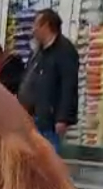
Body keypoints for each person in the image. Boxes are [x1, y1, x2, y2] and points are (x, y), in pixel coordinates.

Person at [17, 9, 79, 152]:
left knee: (47, 159)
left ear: (46, 26)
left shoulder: (64, 51)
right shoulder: (39, 51)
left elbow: (68, 86)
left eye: (36, 25)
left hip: (49, 121)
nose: (33, 30)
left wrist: (62, 118)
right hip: (31, 118)